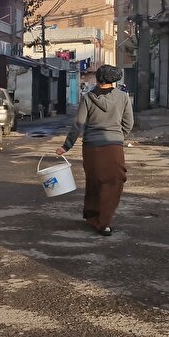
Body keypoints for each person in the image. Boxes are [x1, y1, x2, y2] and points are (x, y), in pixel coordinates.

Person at [55, 64, 134, 236]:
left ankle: (92, 215)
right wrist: (118, 136)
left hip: (91, 146)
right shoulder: (123, 97)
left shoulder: (88, 97)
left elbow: (78, 125)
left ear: (98, 79)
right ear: (114, 80)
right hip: (113, 145)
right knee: (114, 182)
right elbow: (128, 123)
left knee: (94, 180)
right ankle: (103, 222)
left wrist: (66, 146)